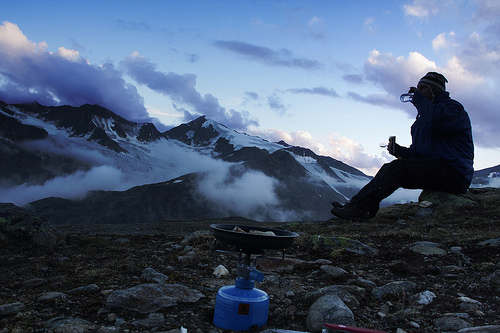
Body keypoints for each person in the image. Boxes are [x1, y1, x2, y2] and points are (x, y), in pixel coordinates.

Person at [331, 72, 474, 219]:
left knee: (397, 169)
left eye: (423, 88)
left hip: (455, 173)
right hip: (438, 168)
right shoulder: (423, 120)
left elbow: (437, 119)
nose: (417, 92)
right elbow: (422, 154)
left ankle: (361, 207)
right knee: (392, 168)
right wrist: (400, 151)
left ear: (434, 90)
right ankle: (361, 205)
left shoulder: (453, 109)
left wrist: (419, 99)